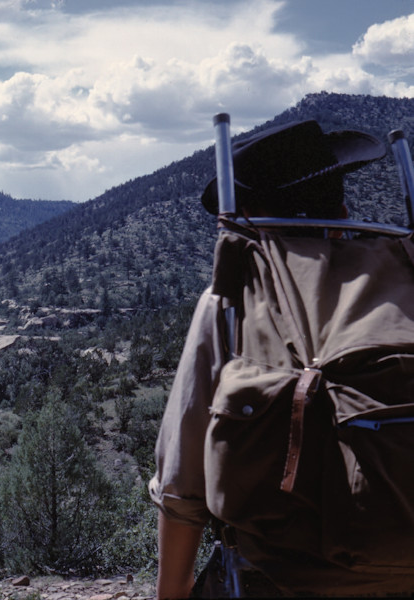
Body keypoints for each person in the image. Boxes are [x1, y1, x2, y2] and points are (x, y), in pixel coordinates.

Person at [148, 119, 388, 599]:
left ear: (254, 217)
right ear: (342, 208)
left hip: (280, 575)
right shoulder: (397, 287)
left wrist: (172, 591)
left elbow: (182, 487)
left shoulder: (234, 301)